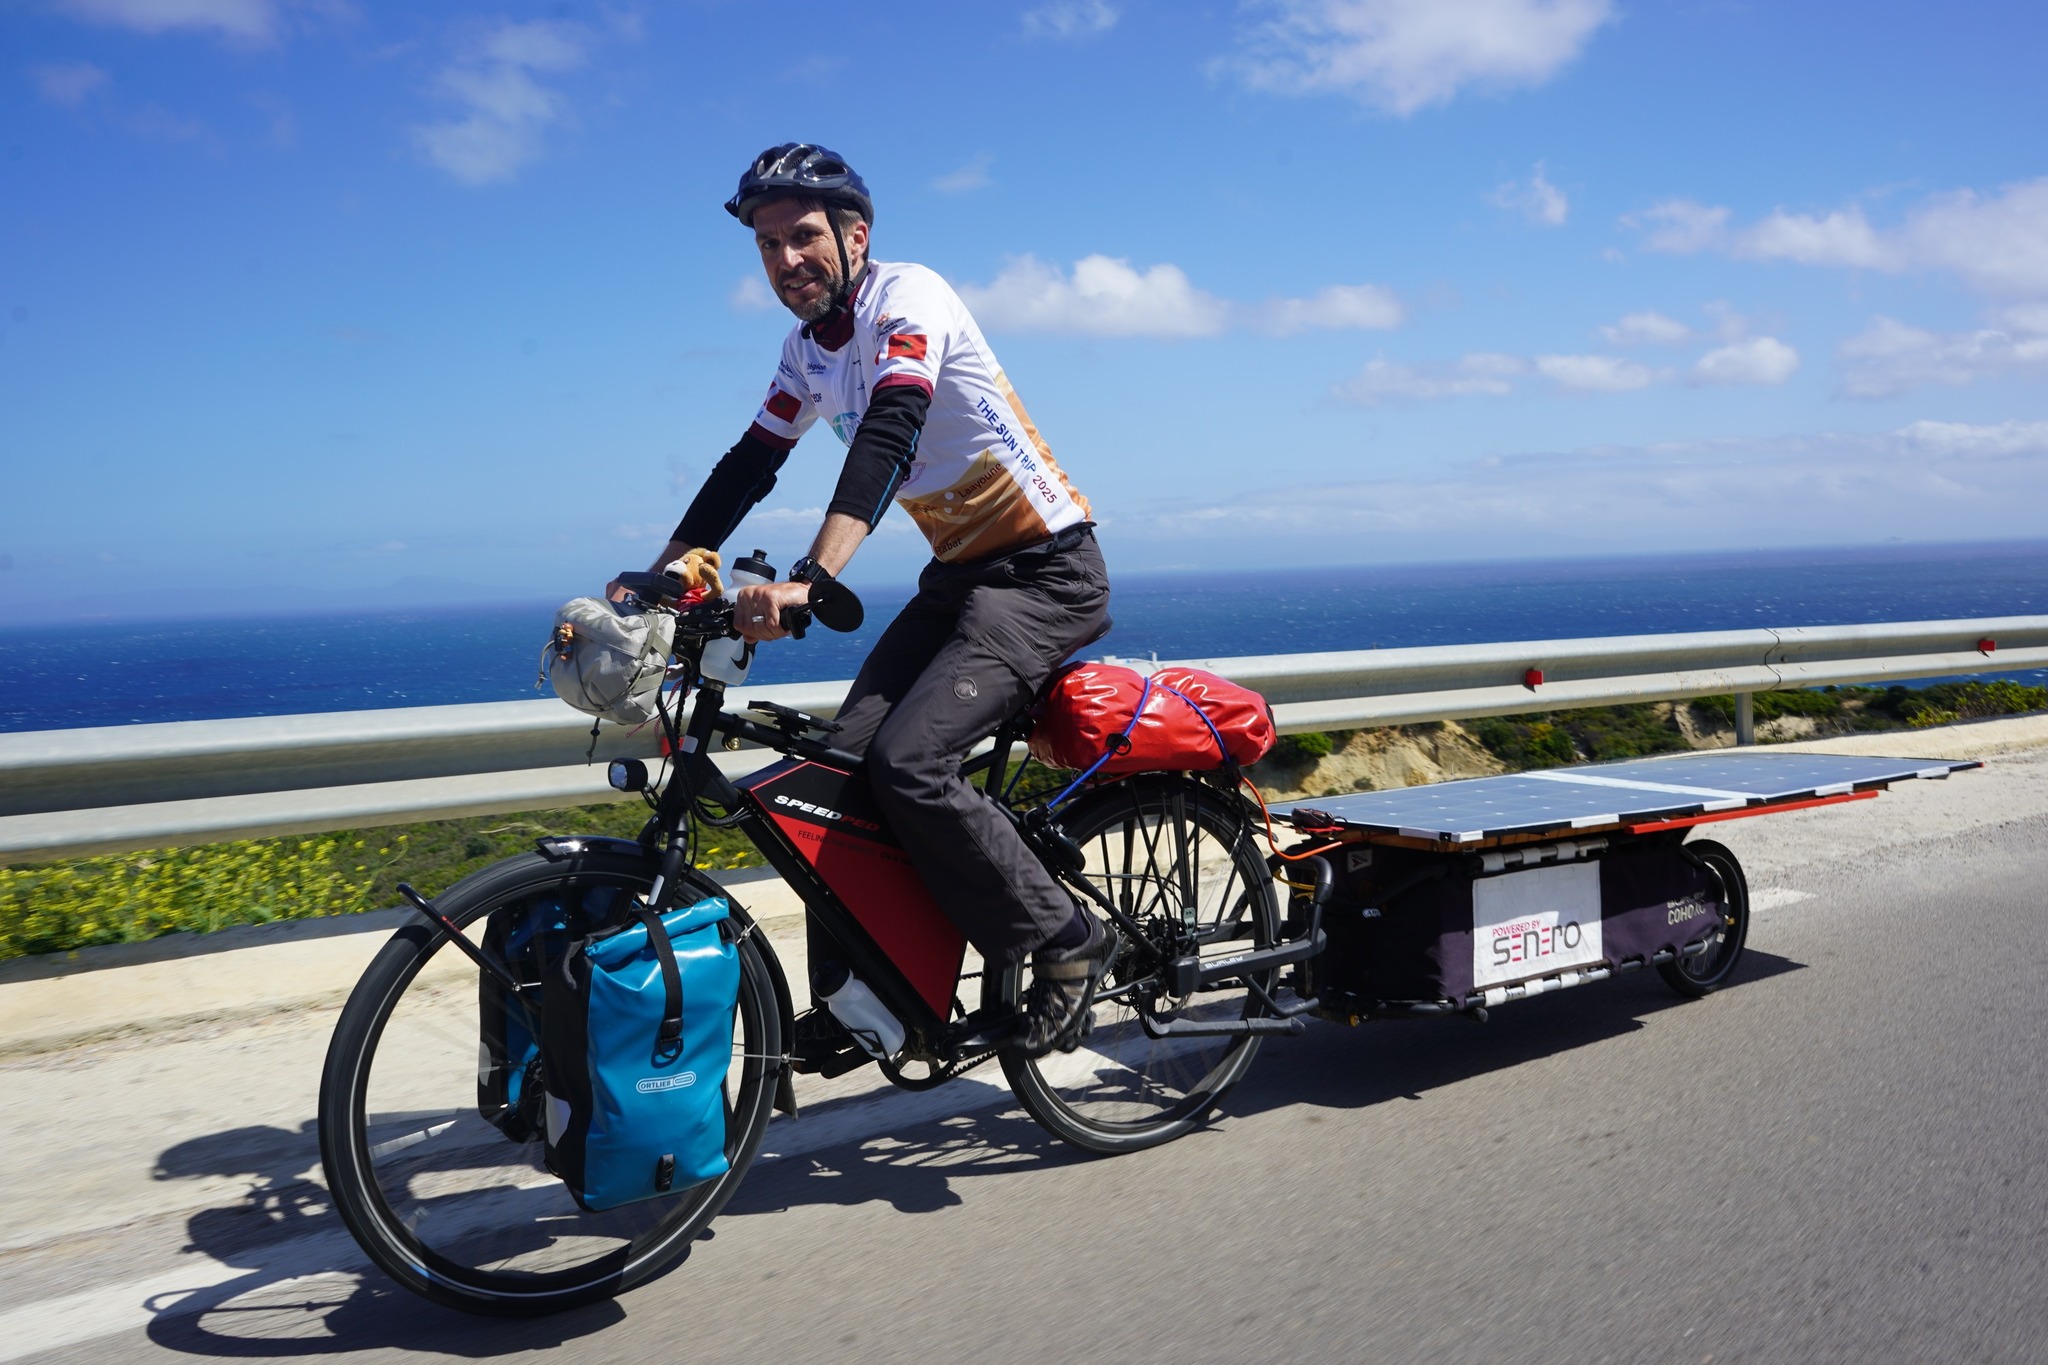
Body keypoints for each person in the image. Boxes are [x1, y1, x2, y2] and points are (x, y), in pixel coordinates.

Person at [636, 143, 1113, 1058]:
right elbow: (749, 464)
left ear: (856, 236)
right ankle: (871, 997)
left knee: (909, 763)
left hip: (1048, 574)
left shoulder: (909, 298)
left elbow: (891, 429)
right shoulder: (803, 353)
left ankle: (1065, 939)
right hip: (964, 580)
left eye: (803, 236)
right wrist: (663, 573)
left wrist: (812, 577)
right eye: (767, 245)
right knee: (838, 773)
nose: (786, 260)